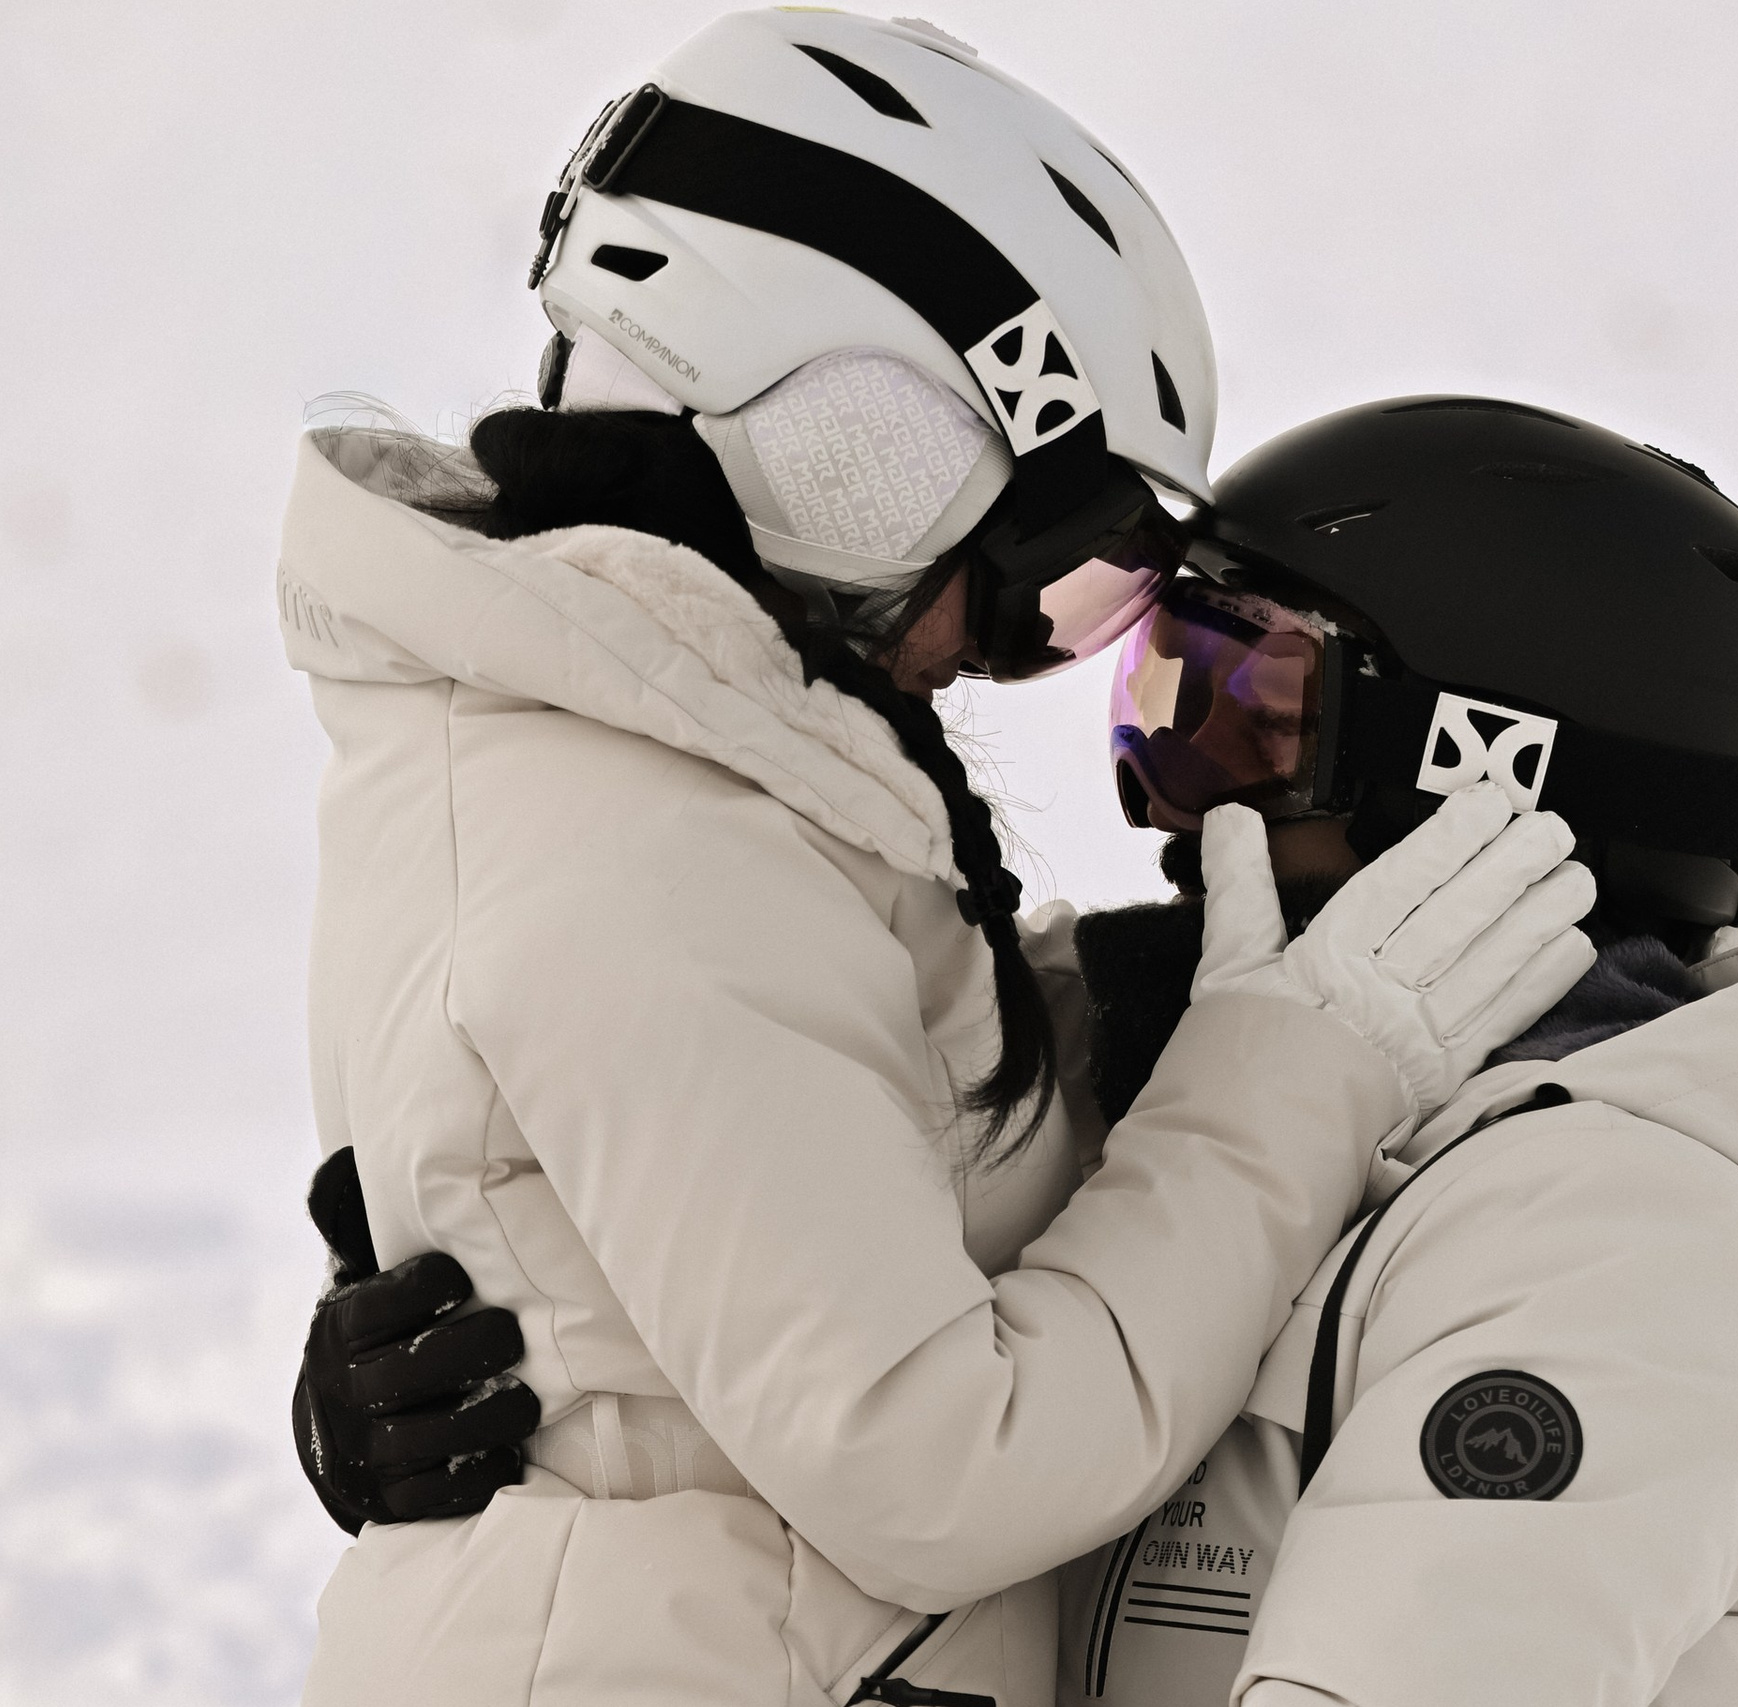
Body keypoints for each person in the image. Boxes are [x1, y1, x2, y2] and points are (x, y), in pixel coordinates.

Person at [278, 13, 1595, 1707]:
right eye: (1051, 572)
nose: (998, 654)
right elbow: (944, 1465)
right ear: (867, 442)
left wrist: (1147, 999)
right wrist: (1300, 1072)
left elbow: (843, 1115)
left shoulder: (608, 744)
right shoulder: (655, 847)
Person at [306, 394, 1738, 1706]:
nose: (1167, 790)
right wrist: (530, 1372)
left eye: (1244, 708)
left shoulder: (1616, 1251)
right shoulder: (1234, 1098)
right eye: (1159, 688)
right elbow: (848, 1310)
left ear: (1479, 785)